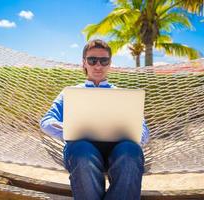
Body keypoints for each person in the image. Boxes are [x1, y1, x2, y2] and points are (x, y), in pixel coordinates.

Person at [40, 39, 149, 200]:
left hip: (118, 150)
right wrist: (70, 127)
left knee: (131, 152)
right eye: (92, 60)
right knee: (81, 150)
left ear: (110, 64)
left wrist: (133, 135)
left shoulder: (123, 95)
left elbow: (144, 130)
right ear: (84, 63)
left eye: (104, 61)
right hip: (81, 151)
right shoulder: (70, 93)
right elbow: (46, 121)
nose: (98, 66)